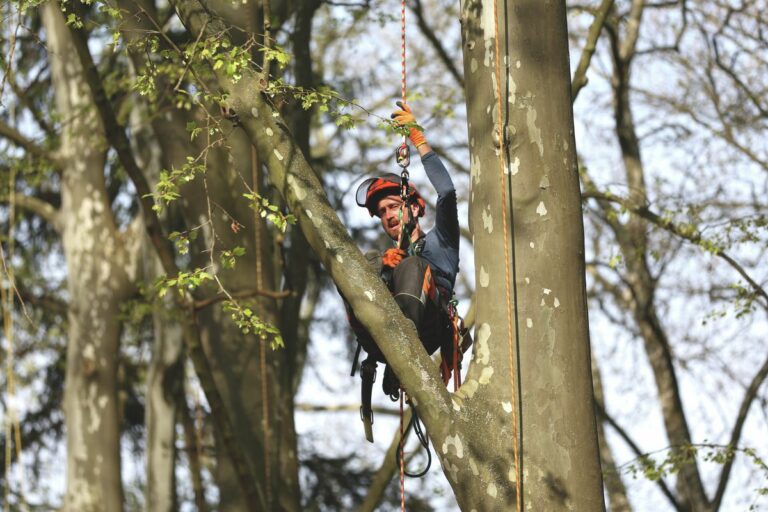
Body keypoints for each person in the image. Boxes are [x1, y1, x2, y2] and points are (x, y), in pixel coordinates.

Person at [343, 102, 462, 440]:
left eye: (394, 206)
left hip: (426, 328)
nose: (389, 216)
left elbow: (449, 193)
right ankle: (393, 351)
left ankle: (402, 346)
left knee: (411, 264)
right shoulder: (385, 257)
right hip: (383, 338)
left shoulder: (441, 242)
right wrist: (381, 267)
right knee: (362, 263)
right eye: (382, 213)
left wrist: (418, 139)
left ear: (414, 206)